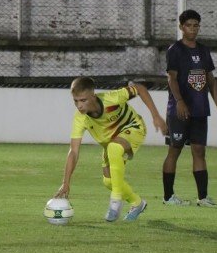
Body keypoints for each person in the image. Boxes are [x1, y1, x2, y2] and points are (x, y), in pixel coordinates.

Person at [55, 77, 167, 222]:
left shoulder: (112, 98)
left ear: (93, 96)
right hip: (111, 144)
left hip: (133, 128)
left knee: (114, 148)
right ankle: (137, 203)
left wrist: (156, 116)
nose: (79, 106)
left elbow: (140, 89)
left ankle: (115, 202)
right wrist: (66, 182)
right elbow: (74, 151)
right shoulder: (80, 119)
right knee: (108, 181)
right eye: (76, 101)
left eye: (83, 100)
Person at [162, 10, 217, 207]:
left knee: (199, 151)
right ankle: (168, 197)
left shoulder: (204, 50)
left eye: (196, 25)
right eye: (189, 25)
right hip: (179, 110)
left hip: (200, 109)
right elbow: (171, 78)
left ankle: (203, 197)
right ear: (181, 27)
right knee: (175, 150)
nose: (193, 29)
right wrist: (180, 101)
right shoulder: (175, 50)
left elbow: (210, 80)